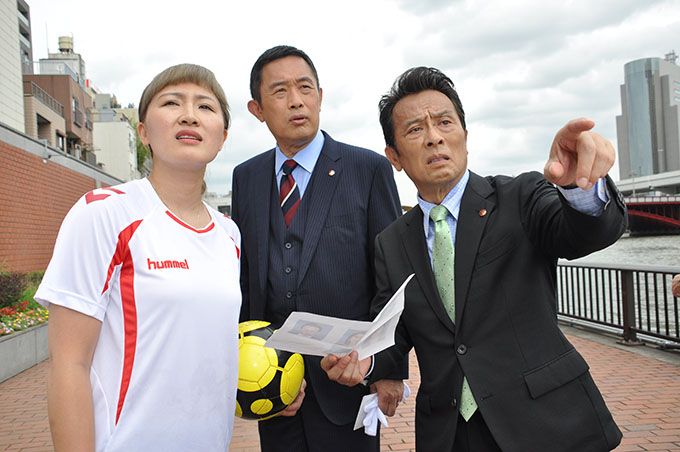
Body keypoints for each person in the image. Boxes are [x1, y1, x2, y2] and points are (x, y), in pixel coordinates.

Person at [321, 66, 626, 452]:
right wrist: (365, 364)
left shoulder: (519, 197)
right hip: (451, 433)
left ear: (465, 136)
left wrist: (577, 187)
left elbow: (584, 233)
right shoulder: (391, 242)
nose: (434, 137)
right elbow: (393, 333)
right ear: (394, 156)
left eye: (444, 122)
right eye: (415, 129)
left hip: (547, 423)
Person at [35, 64, 275, 452]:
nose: (189, 115)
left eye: (205, 107)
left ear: (222, 138)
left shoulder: (229, 234)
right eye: (171, 103)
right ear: (143, 131)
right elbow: (68, 364)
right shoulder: (104, 213)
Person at [231, 45, 407, 452]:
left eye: (305, 88)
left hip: (347, 381)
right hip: (272, 389)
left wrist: (388, 367)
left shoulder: (367, 169)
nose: (296, 100)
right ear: (257, 109)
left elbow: (392, 278)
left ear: (320, 97)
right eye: (280, 91)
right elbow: (246, 279)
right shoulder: (246, 177)